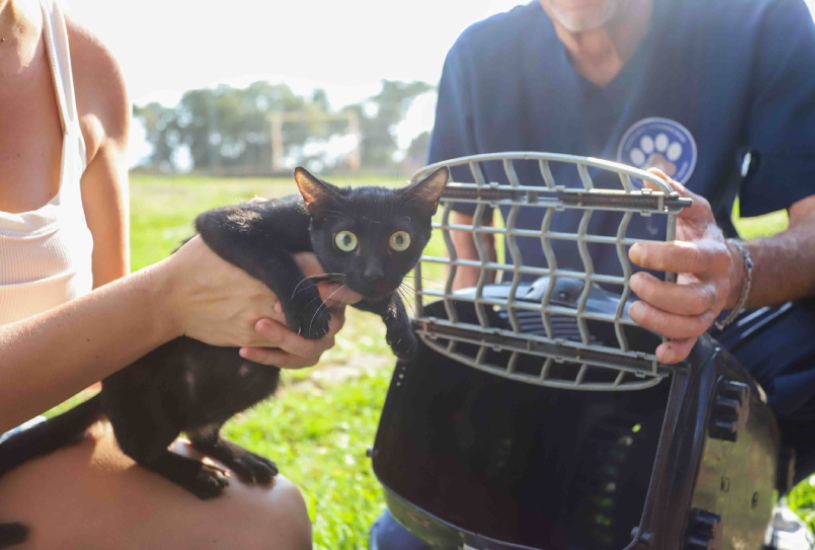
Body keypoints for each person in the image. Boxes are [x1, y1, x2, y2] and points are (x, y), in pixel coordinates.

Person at [370, 0, 815, 547]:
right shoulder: (481, 53)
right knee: (407, 538)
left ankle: (753, 495)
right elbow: (467, 236)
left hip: (692, 333)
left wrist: (735, 274)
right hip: (539, 336)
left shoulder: (759, 20)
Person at [0, 0, 360, 547]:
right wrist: (165, 298)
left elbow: (110, 348)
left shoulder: (81, 62)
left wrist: (248, 324)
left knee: (270, 519)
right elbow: (141, 308)